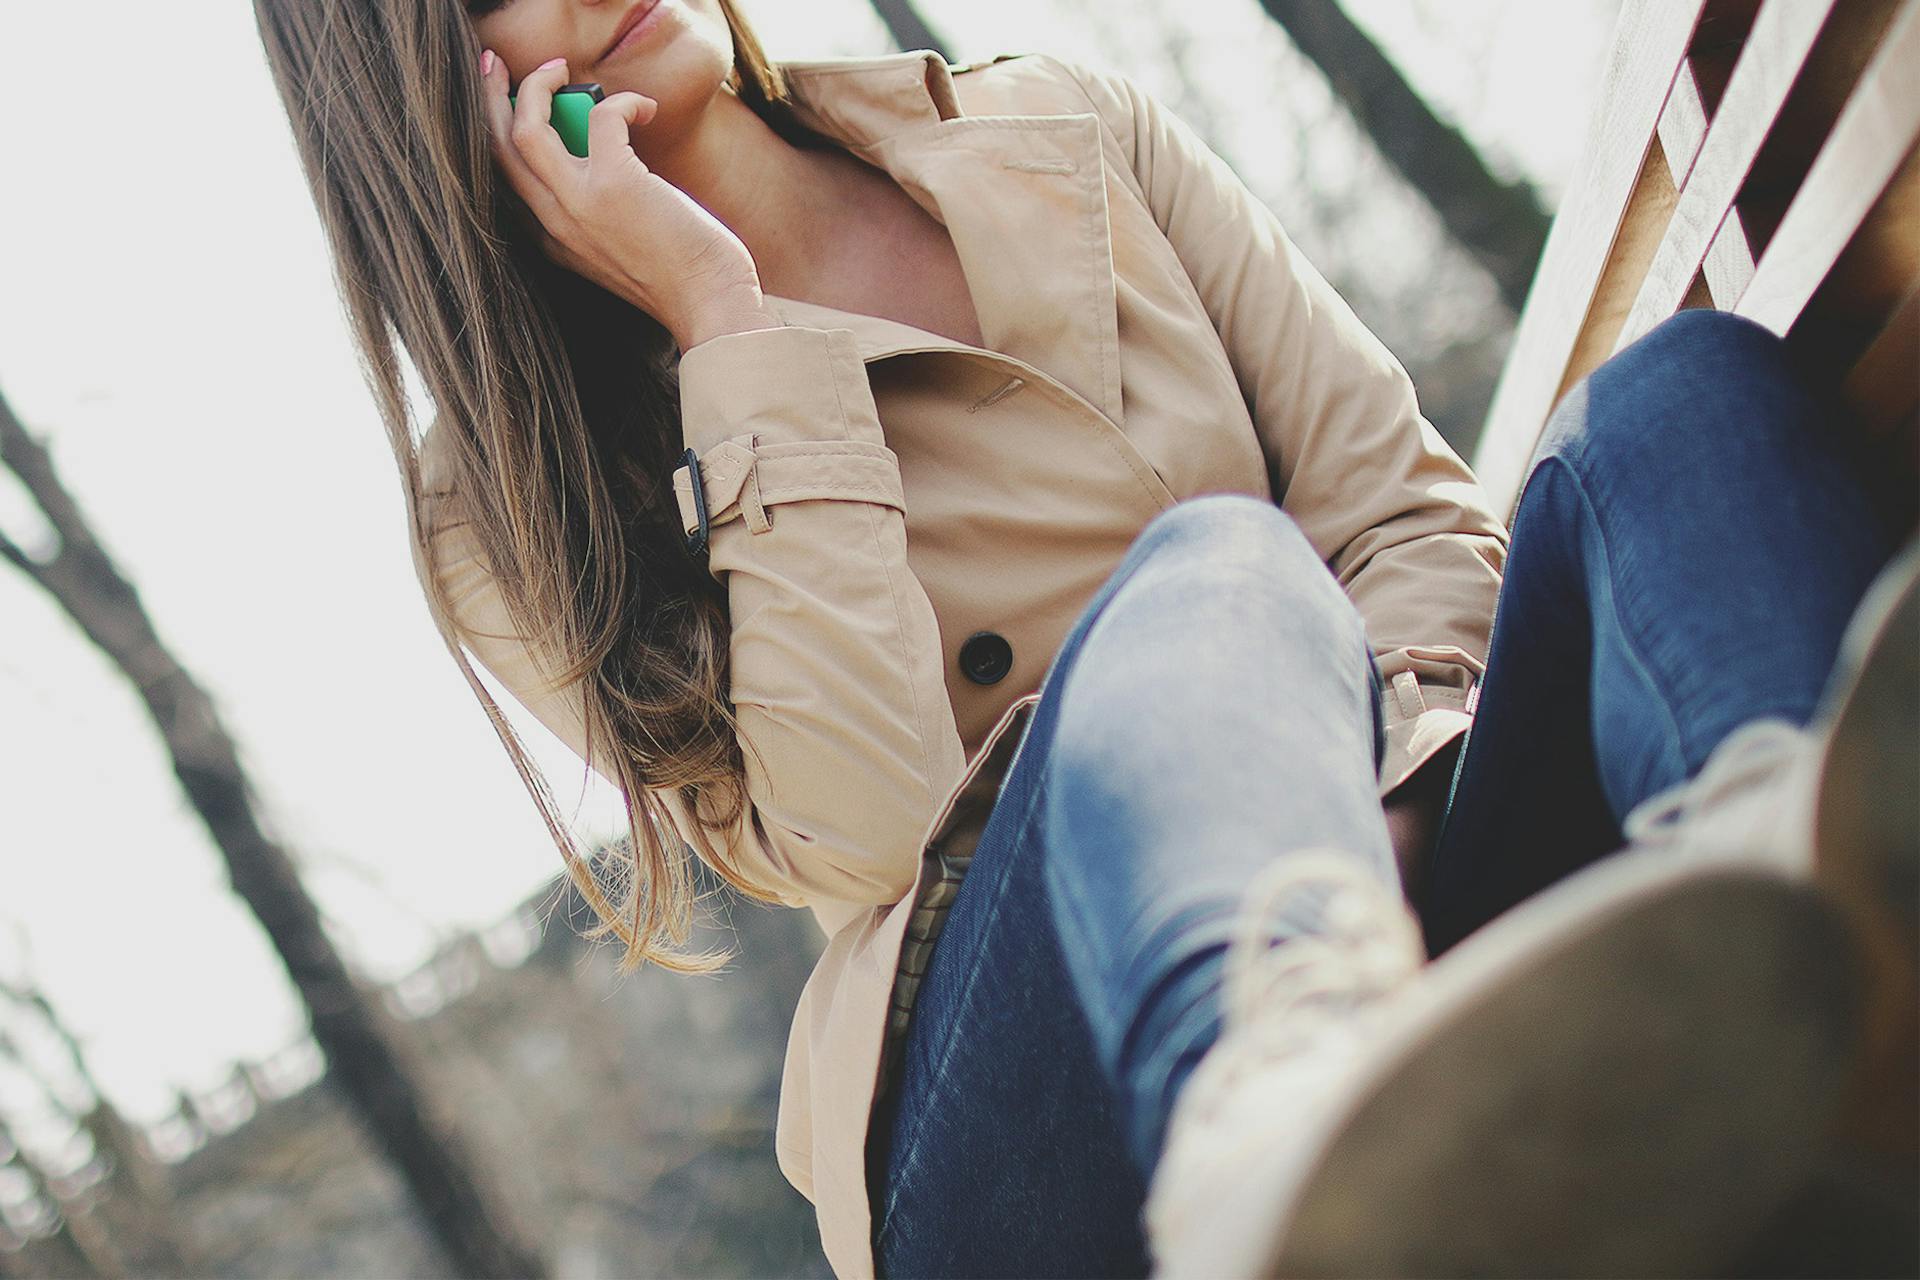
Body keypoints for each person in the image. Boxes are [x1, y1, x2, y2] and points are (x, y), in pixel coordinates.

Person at [249, 1, 1916, 1276]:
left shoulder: (1057, 131)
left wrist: (1367, 808)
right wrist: (730, 333)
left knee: (1670, 412)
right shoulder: (514, 503)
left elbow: (1407, 519)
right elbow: (879, 825)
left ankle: (1818, 906)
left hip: (1422, 881)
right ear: (423, 89)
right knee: (1214, 579)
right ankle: (1276, 1112)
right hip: (1049, 1100)